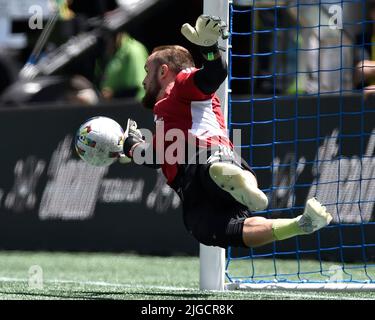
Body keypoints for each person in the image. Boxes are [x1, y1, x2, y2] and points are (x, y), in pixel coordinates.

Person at [118, 15, 332, 249]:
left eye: (147, 71)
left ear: (163, 72)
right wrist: (130, 145)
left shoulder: (180, 84)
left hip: (200, 156)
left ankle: (226, 174)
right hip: (192, 180)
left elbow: (213, 75)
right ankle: (300, 223)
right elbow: (154, 158)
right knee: (225, 229)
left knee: (212, 171)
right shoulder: (165, 112)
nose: (143, 80)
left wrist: (210, 50)